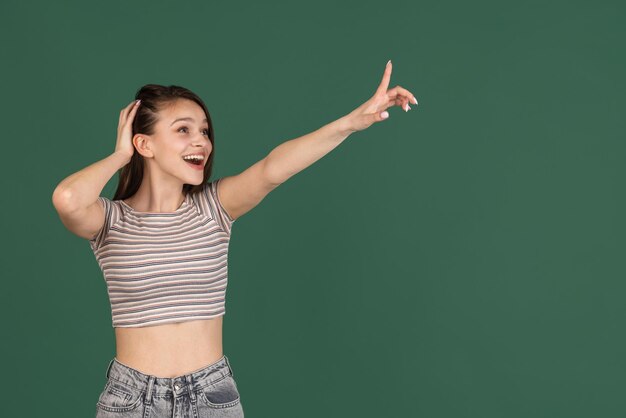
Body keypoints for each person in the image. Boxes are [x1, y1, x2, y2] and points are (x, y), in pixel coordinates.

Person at [52, 60, 417, 417]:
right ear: (144, 145)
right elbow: (68, 199)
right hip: (131, 400)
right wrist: (120, 155)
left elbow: (273, 168)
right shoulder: (112, 221)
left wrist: (351, 123)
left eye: (205, 131)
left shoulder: (214, 208)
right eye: (183, 130)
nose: (201, 141)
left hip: (210, 396)